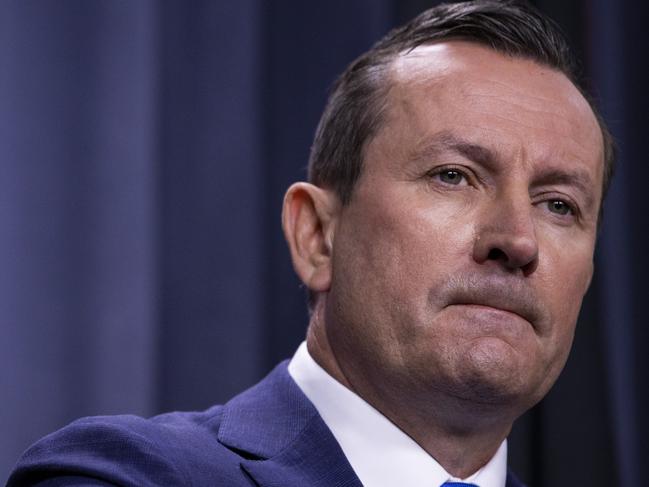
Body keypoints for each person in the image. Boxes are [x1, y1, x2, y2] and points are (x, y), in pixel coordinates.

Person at [7, 1, 614, 486]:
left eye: (558, 205)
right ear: (317, 235)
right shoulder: (124, 477)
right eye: (452, 176)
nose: (516, 239)